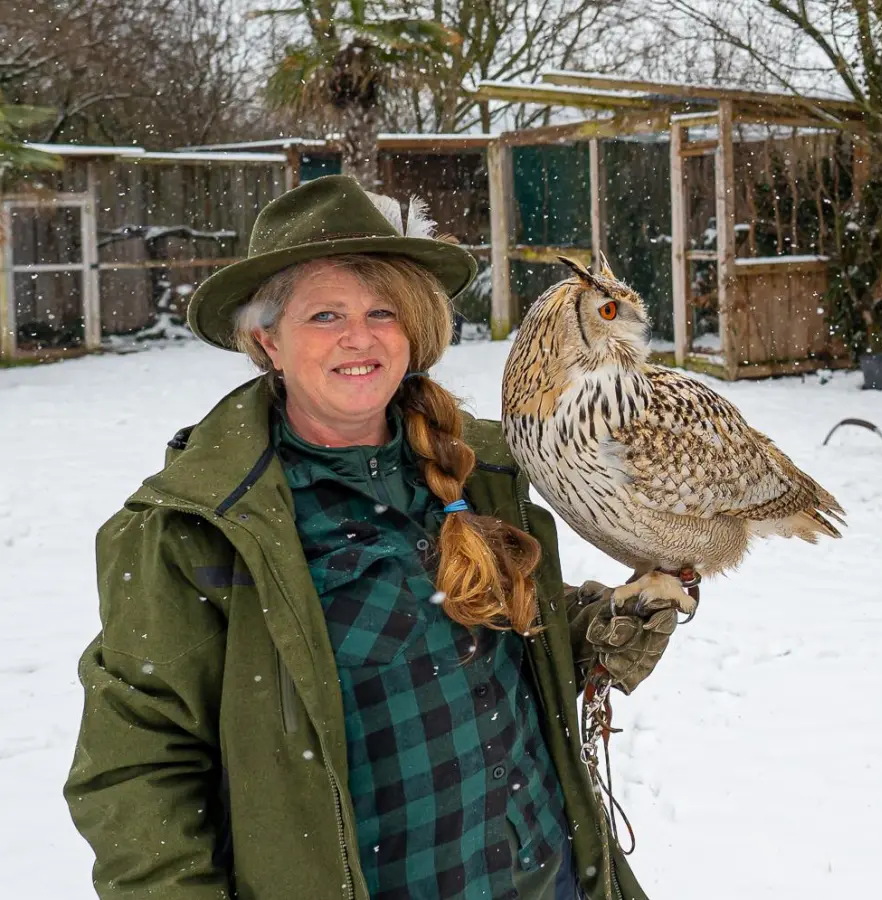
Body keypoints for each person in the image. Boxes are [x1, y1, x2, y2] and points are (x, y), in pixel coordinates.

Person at [65, 175, 680, 900]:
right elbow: (136, 772)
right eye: (325, 315)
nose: (360, 337)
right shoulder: (197, 529)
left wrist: (585, 632)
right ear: (268, 339)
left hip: (547, 878)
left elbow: (469, 646)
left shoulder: (482, 469)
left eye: (382, 310)